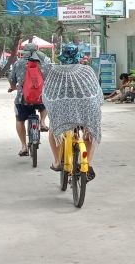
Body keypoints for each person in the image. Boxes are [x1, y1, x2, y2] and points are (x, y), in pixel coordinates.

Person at [43, 43, 102, 180]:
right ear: (78, 56)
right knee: (91, 133)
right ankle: (87, 163)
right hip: (86, 109)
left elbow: (47, 91)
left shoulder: (54, 70)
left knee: (53, 130)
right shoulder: (87, 70)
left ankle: (58, 162)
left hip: (62, 110)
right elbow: (97, 91)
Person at [8, 42, 51, 158]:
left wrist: (12, 88)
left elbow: (12, 80)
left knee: (20, 120)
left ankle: (23, 146)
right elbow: (50, 79)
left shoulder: (18, 63)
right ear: (37, 50)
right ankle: (42, 122)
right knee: (45, 101)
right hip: (41, 97)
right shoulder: (45, 62)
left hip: (23, 99)